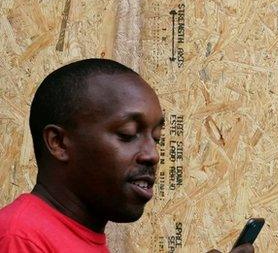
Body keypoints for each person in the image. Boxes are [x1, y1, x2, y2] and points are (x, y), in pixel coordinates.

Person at [0, 59, 254, 252]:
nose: (152, 155)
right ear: (59, 143)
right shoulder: (21, 237)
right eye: (128, 134)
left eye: (156, 138)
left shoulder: (79, 238)